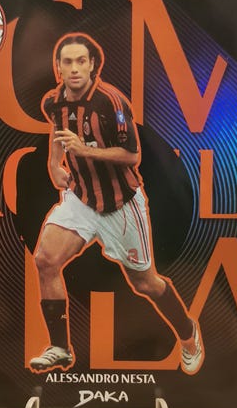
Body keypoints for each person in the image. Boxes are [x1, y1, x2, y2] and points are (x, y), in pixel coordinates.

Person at [30, 33, 204, 375]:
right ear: (58, 67)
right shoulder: (53, 101)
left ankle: (188, 335)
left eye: (81, 61)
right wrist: (53, 163)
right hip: (81, 198)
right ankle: (60, 348)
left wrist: (84, 150)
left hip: (121, 205)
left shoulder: (112, 102)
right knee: (45, 260)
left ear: (93, 65)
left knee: (145, 283)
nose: (75, 68)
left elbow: (132, 155)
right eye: (68, 61)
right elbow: (58, 129)